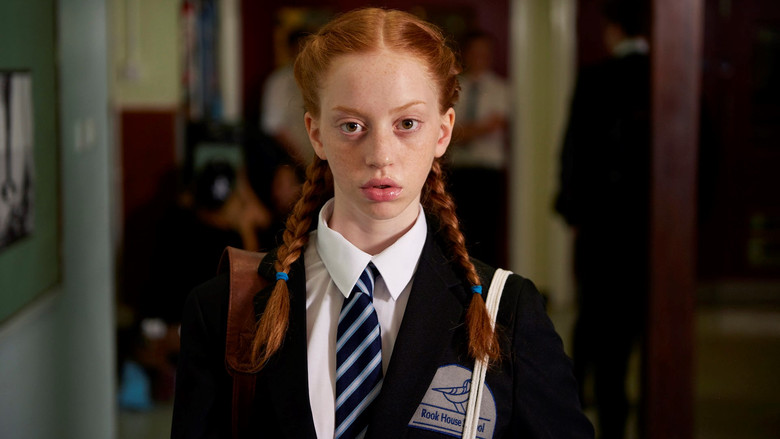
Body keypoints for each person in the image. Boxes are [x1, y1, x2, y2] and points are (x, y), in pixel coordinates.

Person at [172, 7, 593, 439]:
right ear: (315, 134)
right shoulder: (226, 308)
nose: (380, 155)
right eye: (352, 125)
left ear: (442, 132)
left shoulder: (508, 314)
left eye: (407, 124)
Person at [554, 1, 651, 438]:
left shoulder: (596, 78)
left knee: (595, 315)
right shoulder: (669, 76)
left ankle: (583, 403)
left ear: (613, 29)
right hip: (651, 227)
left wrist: (573, 210)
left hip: (601, 222)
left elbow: (573, 149)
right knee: (635, 320)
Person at [448, 30, 510, 267]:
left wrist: (463, 131)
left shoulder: (501, 89)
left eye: (485, 53)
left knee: (487, 234)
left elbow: (494, 125)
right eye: (476, 52)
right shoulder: (452, 88)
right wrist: (478, 129)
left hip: (488, 173)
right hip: (458, 170)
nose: (480, 58)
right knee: (459, 232)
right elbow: (449, 132)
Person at [260, 29, 314, 170]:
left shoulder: (322, 78)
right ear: (291, 50)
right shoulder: (279, 82)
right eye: (299, 49)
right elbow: (274, 127)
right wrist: (300, 160)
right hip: (291, 162)